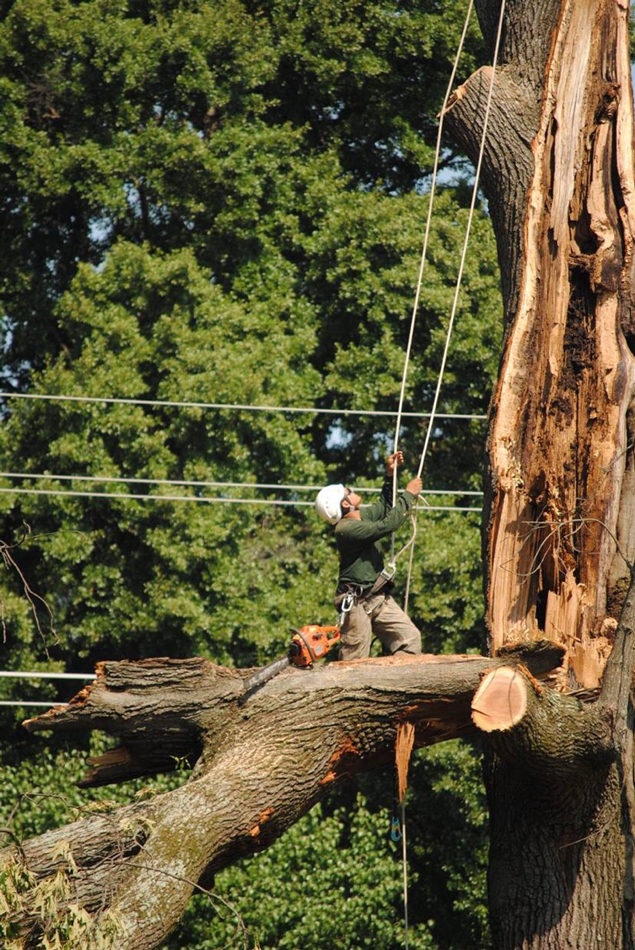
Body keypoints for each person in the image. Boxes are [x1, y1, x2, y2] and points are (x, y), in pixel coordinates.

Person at [315, 451, 423, 660]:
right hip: (356, 603)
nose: (351, 490)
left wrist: (390, 474)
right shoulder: (346, 530)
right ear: (345, 504)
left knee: (410, 639)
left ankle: (393, 683)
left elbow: (385, 506)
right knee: (354, 661)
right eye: (348, 491)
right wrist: (408, 495)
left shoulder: (359, 518)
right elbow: (387, 525)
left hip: (377, 598)